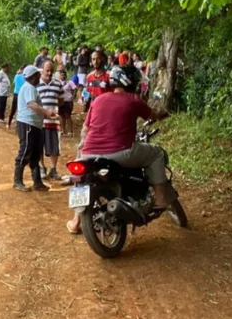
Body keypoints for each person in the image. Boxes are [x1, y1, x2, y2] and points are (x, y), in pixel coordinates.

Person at [66, 64, 172, 234]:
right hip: (119, 153)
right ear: (131, 82)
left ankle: (76, 220)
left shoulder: (98, 100)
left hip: (88, 153)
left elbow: (85, 129)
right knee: (156, 153)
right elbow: (153, 115)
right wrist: (162, 114)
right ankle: (160, 198)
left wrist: (82, 151)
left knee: (82, 180)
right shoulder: (133, 100)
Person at [14, 65, 56, 192]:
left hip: (34, 125)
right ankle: (17, 181)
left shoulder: (31, 88)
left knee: (36, 154)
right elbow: (32, 105)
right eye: (38, 74)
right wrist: (47, 112)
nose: (40, 76)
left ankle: (37, 182)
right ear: (33, 76)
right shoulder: (29, 88)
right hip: (28, 124)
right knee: (26, 150)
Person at [37, 61, 64, 179]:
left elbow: (61, 100)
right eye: (47, 70)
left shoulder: (58, 84)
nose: (49, 73)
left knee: (54, 145)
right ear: (42, 70)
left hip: (53, 120)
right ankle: (42, 168)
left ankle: (53, 169)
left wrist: (54, 110)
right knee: (39, 146)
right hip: (39, 121)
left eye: (51, 71)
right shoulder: (36, 84)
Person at [60, 69, 76, 137]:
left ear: (66, 75)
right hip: (61, 101)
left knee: (68, 116)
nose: (63, 76)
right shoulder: (58, 82)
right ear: (59, 76)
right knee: (61, 116)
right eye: (61, 75)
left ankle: (70, 131)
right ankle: (63, 130)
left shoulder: (70, 82)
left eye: (64, 75)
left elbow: (75, 88)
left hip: (68, 101)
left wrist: (73, 97)